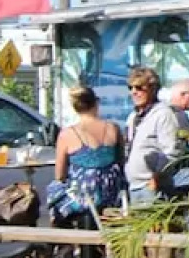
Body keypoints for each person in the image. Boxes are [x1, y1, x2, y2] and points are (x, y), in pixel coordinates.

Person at [45, 86, 128, 222]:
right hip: (110, 193)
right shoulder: (113, 129)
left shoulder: (67, 134)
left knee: (54, 190)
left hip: (83, 197)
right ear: (96, 103)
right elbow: (121, 162)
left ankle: (60, 236)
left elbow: (60, 175)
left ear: (75, 107)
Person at [124, 67, 189, 205]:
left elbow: (172, 151)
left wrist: (157, 178)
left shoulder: (163, 114)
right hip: (134, 187)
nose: (134, 92)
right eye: (131, 87)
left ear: (153, 89)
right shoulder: (133, 117)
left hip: (153, 188)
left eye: (139, 87)